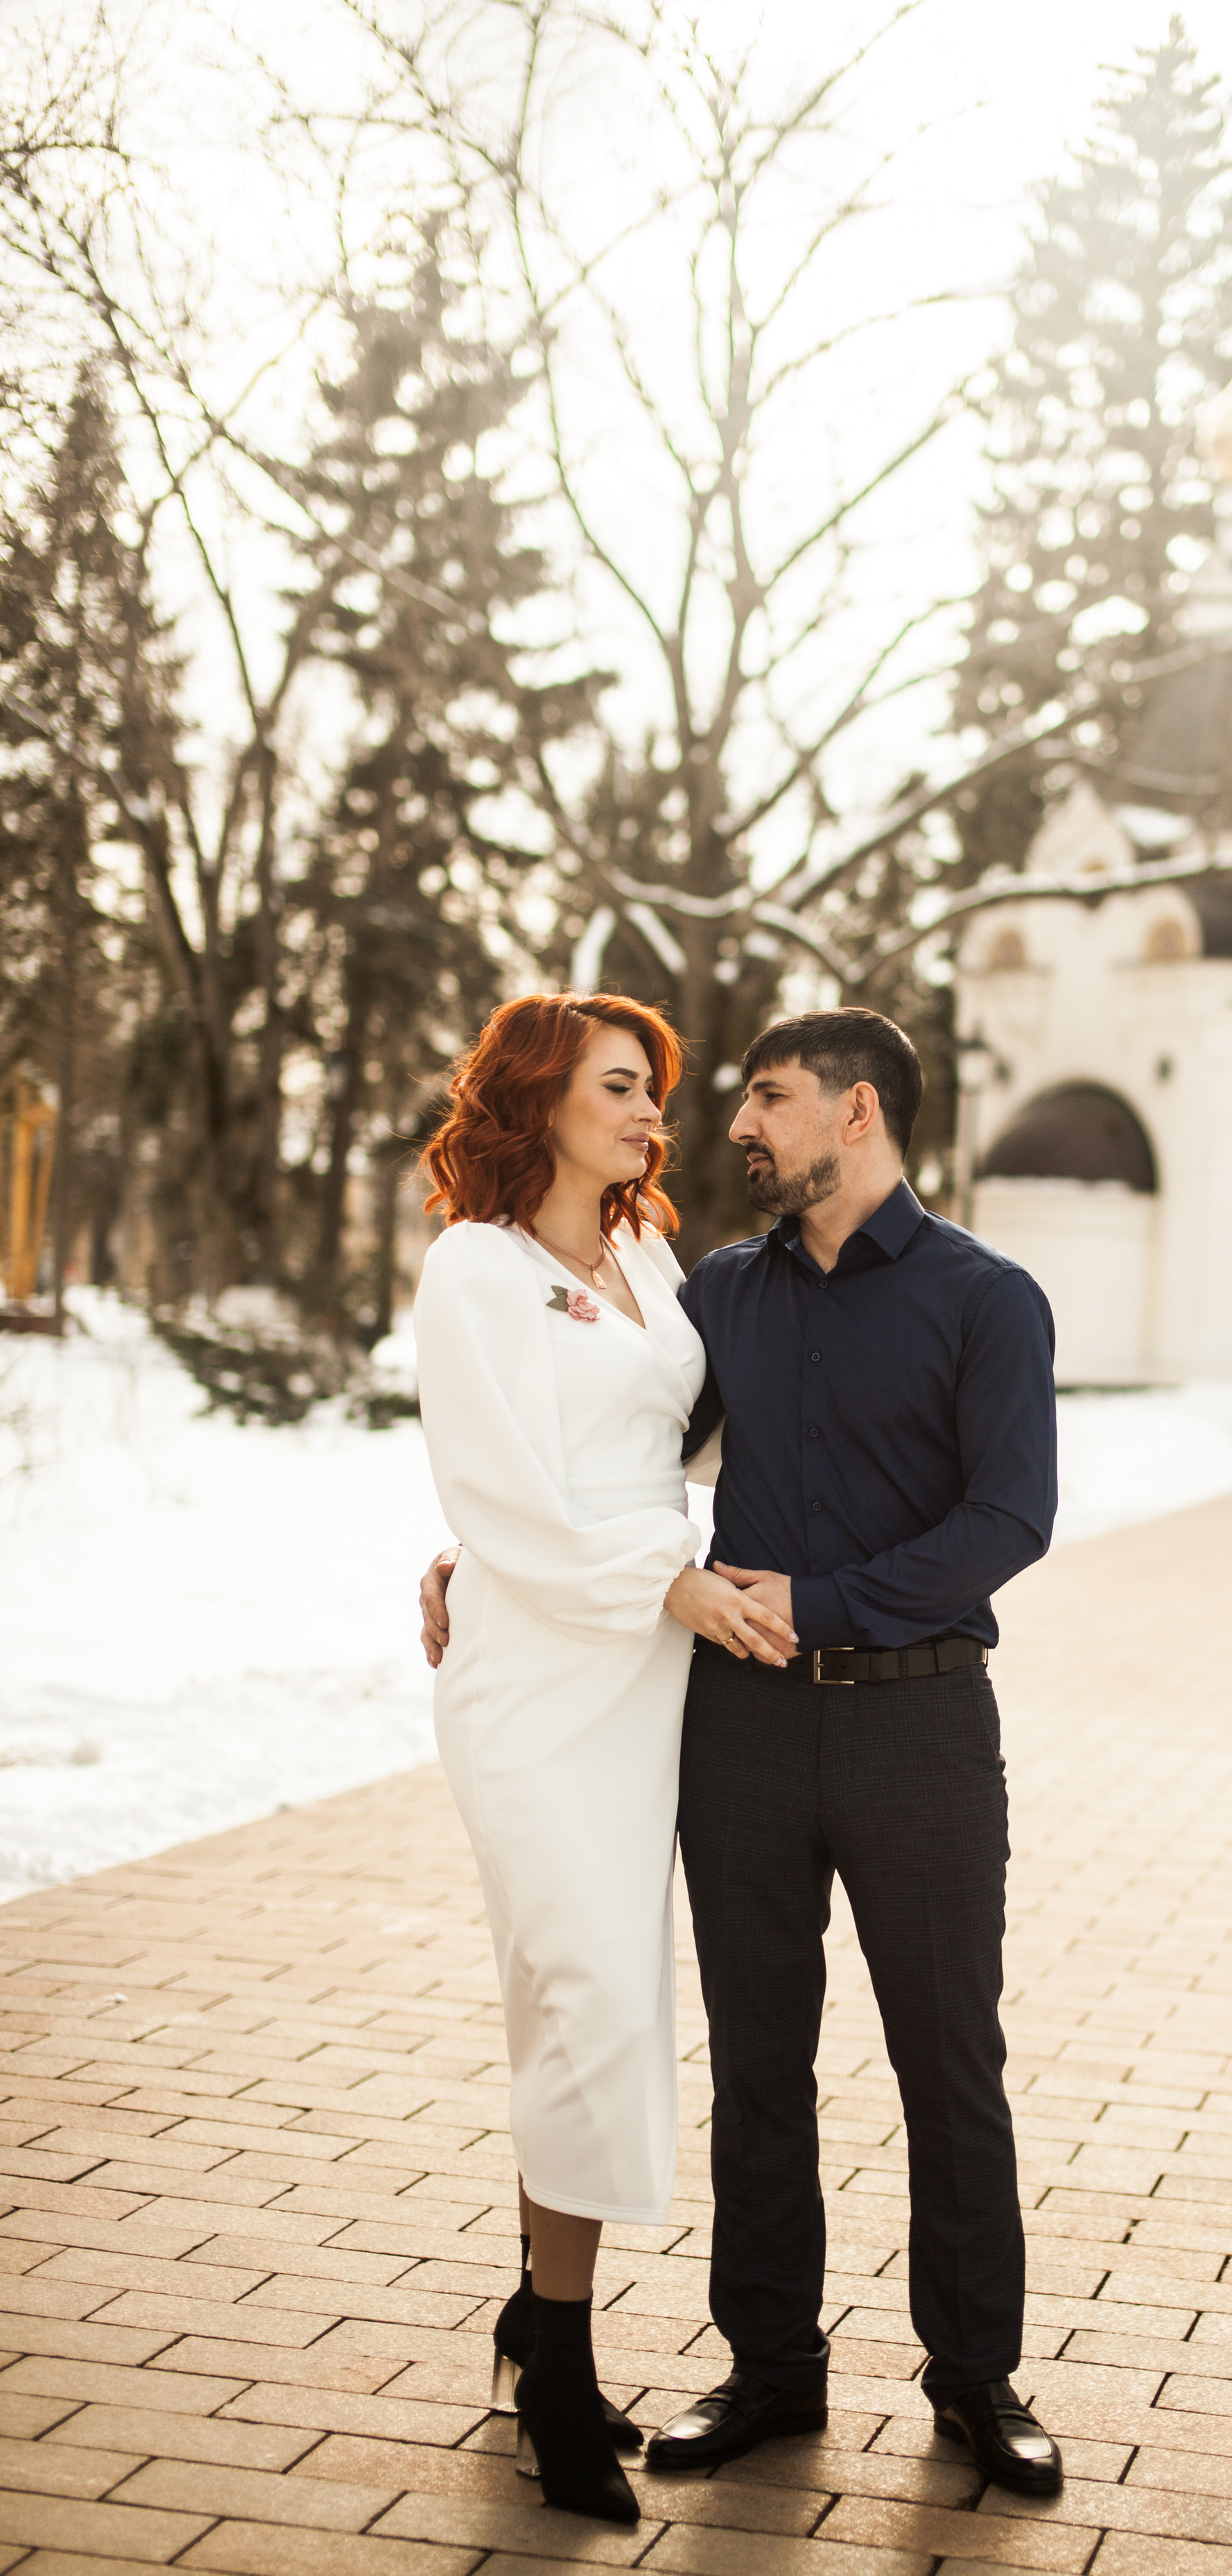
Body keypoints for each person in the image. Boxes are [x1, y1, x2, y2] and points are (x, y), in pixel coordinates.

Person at [424, 1006, 1064, 2497]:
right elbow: (603, 1442)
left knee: (948, 2059)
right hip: (745, 1729)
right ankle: (772, 2369)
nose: (732, 1127)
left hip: (918, 1722)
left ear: (854, 1113)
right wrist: (478, 1558)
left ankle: (976, 2377)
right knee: (758, 2068)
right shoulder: (717, 1289)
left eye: (764, 1100)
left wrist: (822, 1599)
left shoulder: (988, 1298)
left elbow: (1007, 1522)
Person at [411, 990, 796, 2526]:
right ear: (541, 1096)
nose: (654, 1116)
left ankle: (532, 2313)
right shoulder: (473, 1270)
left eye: (657, 1091)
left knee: (589, 1998)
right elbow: (501, 1487)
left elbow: (680, 1441)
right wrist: (659, 1582)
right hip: (538, 1674)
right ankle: (559, 2372)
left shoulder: (646, 1260)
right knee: (584, 1996)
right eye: (624, 1087)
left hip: (644, 1683)